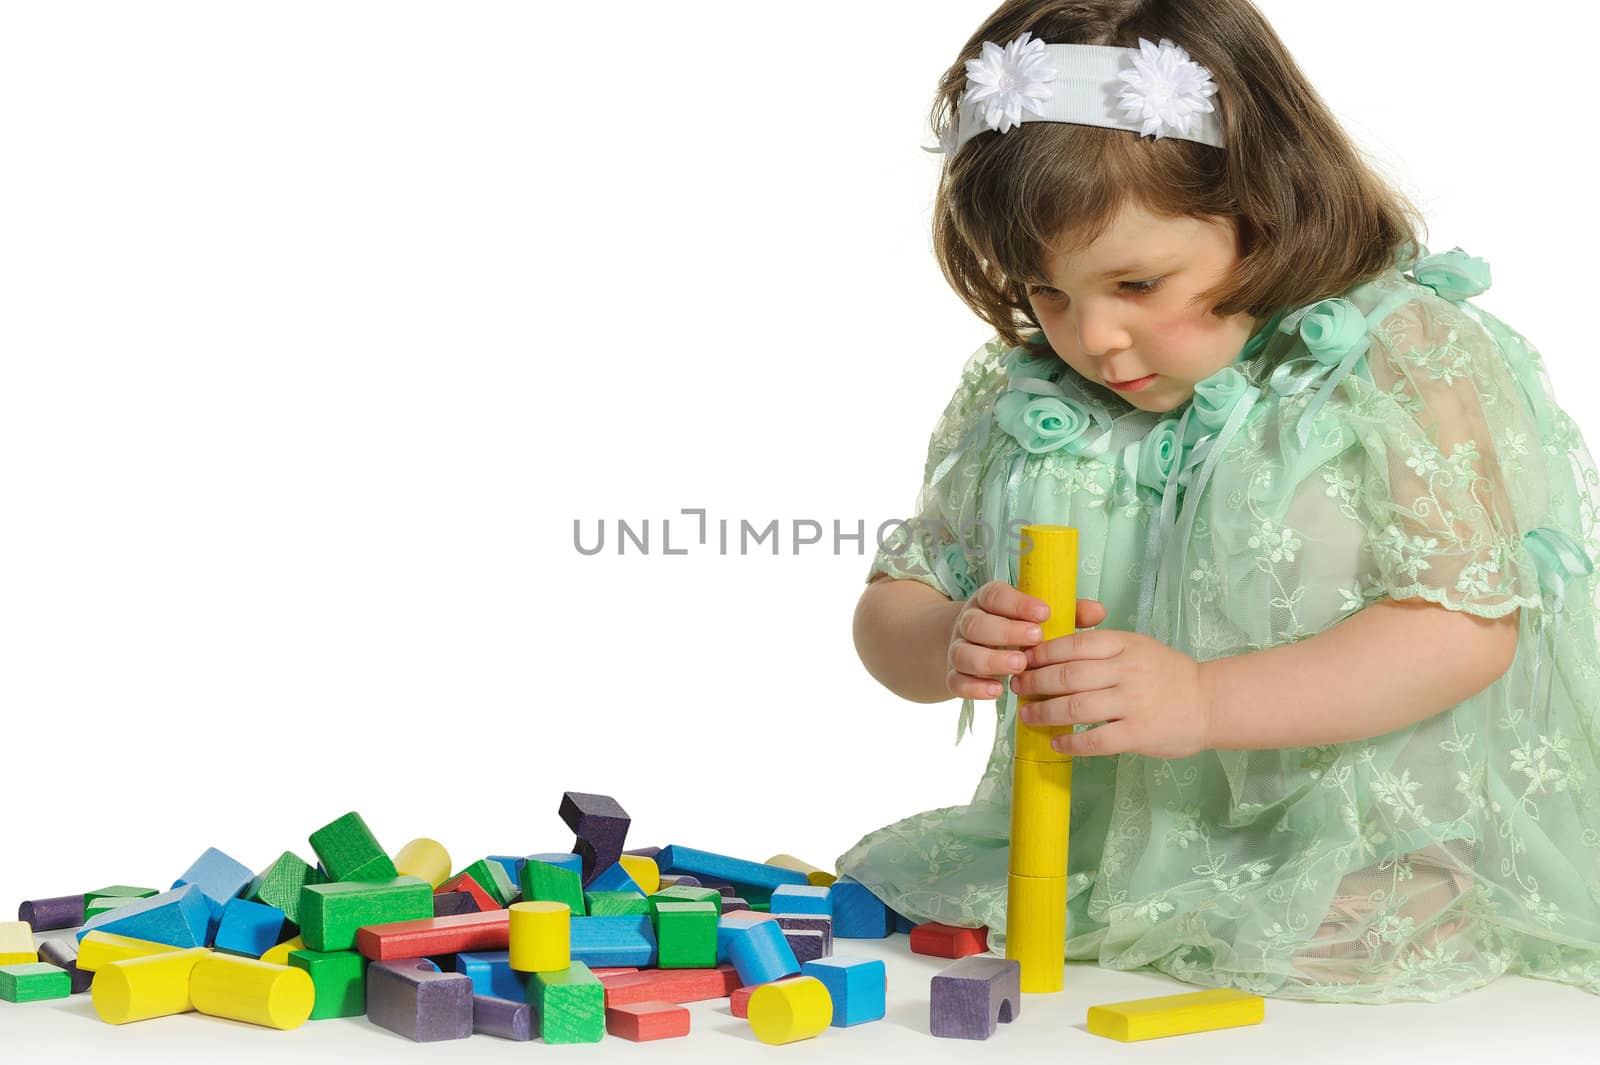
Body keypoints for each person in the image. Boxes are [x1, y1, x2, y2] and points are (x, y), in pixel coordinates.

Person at [838, 0, 1600, 1004]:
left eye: (1138, 284)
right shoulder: (1033, 391)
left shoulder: (1398, 360)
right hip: (1080, 866)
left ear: (1264, 204)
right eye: (1046, 295)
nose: (1092, 340)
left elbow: (1459, 632)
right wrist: (946, 638)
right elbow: (891, 602)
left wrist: (1202, 701)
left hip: (1371, 859)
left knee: (1358, 945)